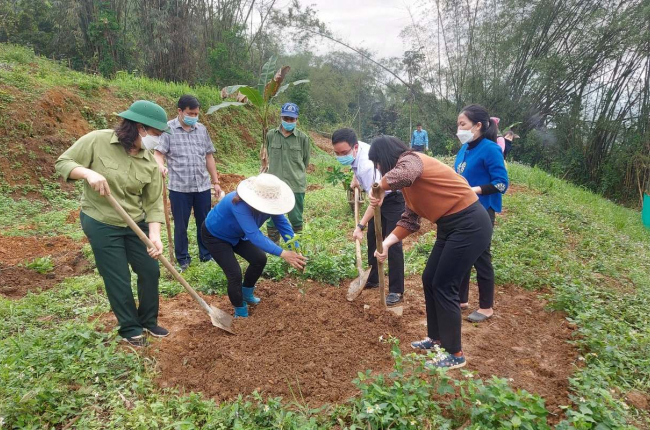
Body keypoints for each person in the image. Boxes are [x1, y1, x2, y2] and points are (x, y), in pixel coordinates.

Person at [369, 135, 492, 369]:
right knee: (430, 279)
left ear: (385, 157)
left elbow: (403, 174)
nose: (378, 168)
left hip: (469, 224)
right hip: (450, 226)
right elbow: (409, 221)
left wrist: (380, 187)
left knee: (445, 284)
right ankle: (436, 339)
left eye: (377, 163)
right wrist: (385, 244)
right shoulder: (409, 189)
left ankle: (455, 353)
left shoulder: (412, 159)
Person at [55, 100, 170, 347]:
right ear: (140, 127)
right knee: (117, 276)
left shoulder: (149, 162)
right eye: (156, 134)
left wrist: (155, 236)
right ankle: (130, 327)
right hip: (102, 221)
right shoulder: (97, 140)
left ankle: (148, 321)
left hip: (134, 223)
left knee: (150, 271)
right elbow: (63, 162)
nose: (157, 141)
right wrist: (88, 173)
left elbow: (153, 204)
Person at [201, 174, 307, 317]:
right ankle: (240, 309)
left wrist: (295, 248)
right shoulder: (239, 204)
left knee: (259, 259)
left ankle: (246, 293)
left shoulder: (271, 205)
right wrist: (283, 253)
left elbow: (283, 225)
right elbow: (254, 236)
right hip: (216, 236)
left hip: (238, 234)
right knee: (234, 274)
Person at [331, 128, 405, 306]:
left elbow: (377, 199)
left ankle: (396, 290)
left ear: (355, 147)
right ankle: (373, 278)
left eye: (344, 153)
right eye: (337, 153)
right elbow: (360, 173)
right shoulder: (359, 151)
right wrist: (356, 179)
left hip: (393, 197)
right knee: (373, 237)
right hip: (379, 195)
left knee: (392, 242)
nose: (341, 156)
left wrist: (360, 226)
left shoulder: (366, 166)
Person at [154, 95, 222, 271]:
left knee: (205, 222)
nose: (194, 116)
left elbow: (208, 156)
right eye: (190, 113)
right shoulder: (168, 129)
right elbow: (159, 153)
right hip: (179, 187)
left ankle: (206, 254)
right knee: (181, 225)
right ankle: (183, 258)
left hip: (202, 185)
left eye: (196, 113)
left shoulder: (201, 129)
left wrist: (215, 181)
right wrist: (160, 166)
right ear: (180, 111)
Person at [454, 104, 509, 323]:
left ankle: (486, 307)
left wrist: (474, 189)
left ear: (478, 125)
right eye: (458, 124)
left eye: (463, 124)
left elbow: (502, 184)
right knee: (463, 254)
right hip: (464, 208)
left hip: (483, 209)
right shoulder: (465, 148)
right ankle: (461, 299)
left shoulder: (490, 149)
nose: (459, 129)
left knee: (480, 256)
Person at [265, 102, 311, 242]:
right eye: (286, 118)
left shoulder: (303, 138)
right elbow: (267, 156)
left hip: (295, 183)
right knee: (273, 216)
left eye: (292, 119)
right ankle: (274, 248)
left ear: (297, 119)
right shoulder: (271, 135)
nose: (289, 122)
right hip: (274, 185)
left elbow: (305, 161)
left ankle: (298, 249)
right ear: (281, 117)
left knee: (295, 218)